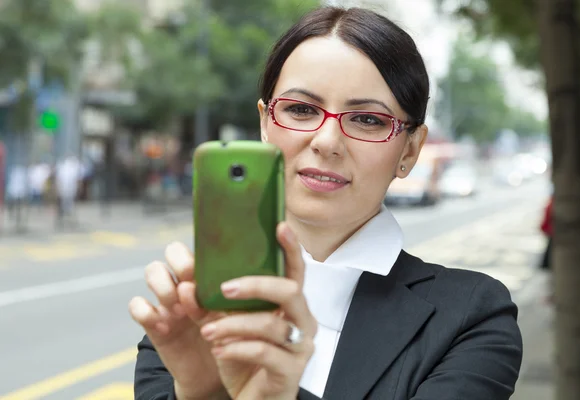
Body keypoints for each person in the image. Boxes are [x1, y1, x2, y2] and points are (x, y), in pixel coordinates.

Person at [130, 6, 523, 400]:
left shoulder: (472, 318)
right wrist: (205, 393)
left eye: (368, 119)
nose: (327, 141)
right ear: (266, 123)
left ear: (410, 150)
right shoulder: (194, 315)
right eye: (300, 110)